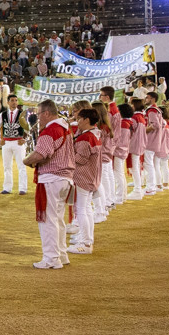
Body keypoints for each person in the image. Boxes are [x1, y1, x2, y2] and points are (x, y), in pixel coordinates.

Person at [22, 99, 74, 269]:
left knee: (48, 219)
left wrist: (26, 160)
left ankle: (52, 259)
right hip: (65, 178)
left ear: (46, 113)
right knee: (58, 218)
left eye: (39, 114)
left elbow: (41, 154)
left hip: (51, 178)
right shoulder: (65, 128)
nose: (38, 118)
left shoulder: (50, 131)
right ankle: (61, 253)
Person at [67, 108, 102, 255]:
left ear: (87, 120)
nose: (77, 121)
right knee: (86, 209)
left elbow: (80, 159)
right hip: (91, 176)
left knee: (81, 210)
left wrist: (68, 155)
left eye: (80, 119)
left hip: (83, 177)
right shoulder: (95, 134)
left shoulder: (85, 138)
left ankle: (86, 243)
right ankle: (86, 238)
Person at [0, 94, 30, 195]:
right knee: (7, 166)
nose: (14, 102)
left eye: (16, 100)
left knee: (21, 165)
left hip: (19, 143)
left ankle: (23, 188)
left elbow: (30, 129)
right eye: (12, 100)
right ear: (8, 102)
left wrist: (25, 139)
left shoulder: (23, 114)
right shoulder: (3, 115)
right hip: (6, 143)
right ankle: (7, 188)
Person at [142, 92, 166, 195]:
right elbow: (162, 124)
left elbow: (154, 125)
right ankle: (155, 185)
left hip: (150, 141)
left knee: (149, 164)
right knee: (152, 164)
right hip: (155, 140)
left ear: (152, 99)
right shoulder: (157, 110)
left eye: (147, 98)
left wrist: (142, 131)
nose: (145, 99)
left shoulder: (152, 110)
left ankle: (151, 187)